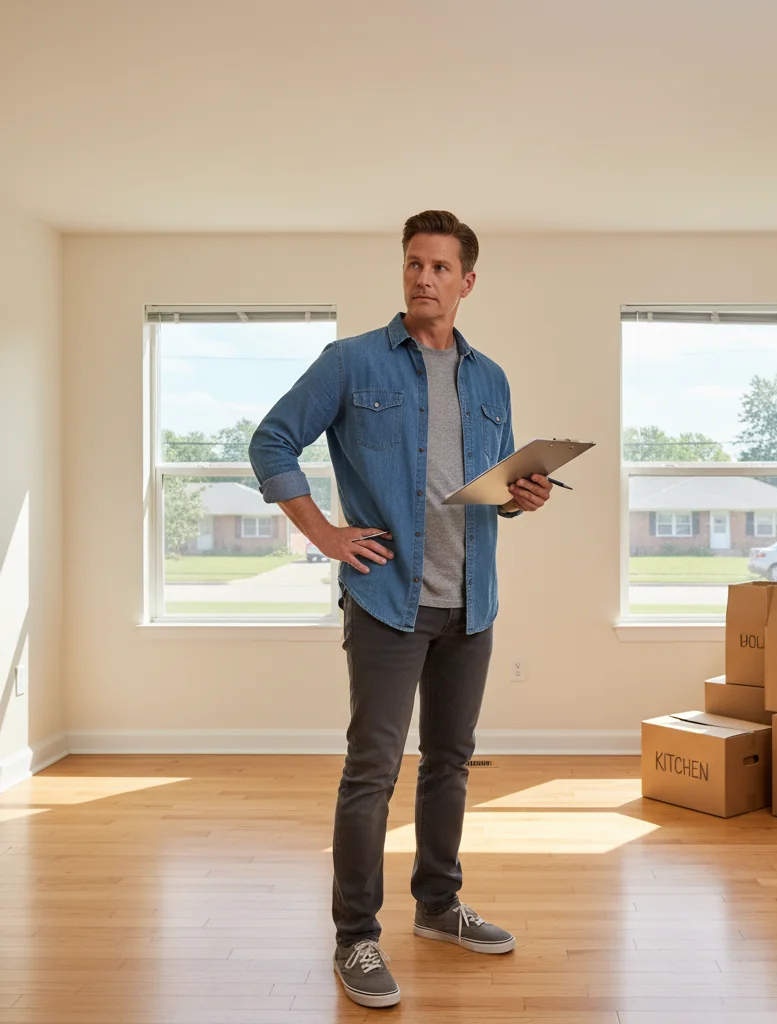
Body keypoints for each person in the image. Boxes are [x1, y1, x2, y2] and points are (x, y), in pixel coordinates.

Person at [248, 210, 552, 1009]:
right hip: (387, 599)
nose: (424, 277)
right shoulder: (350, 363)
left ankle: (438, 907)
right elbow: (272, 441)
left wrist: (524, 495)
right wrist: (325, 535)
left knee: (450, 763)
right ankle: (356, 939)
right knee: (372, 772)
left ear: (467, 281)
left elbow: (497, 486)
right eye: (414, 263)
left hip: (471, 601)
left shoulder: (491, 379)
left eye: (441, 267)